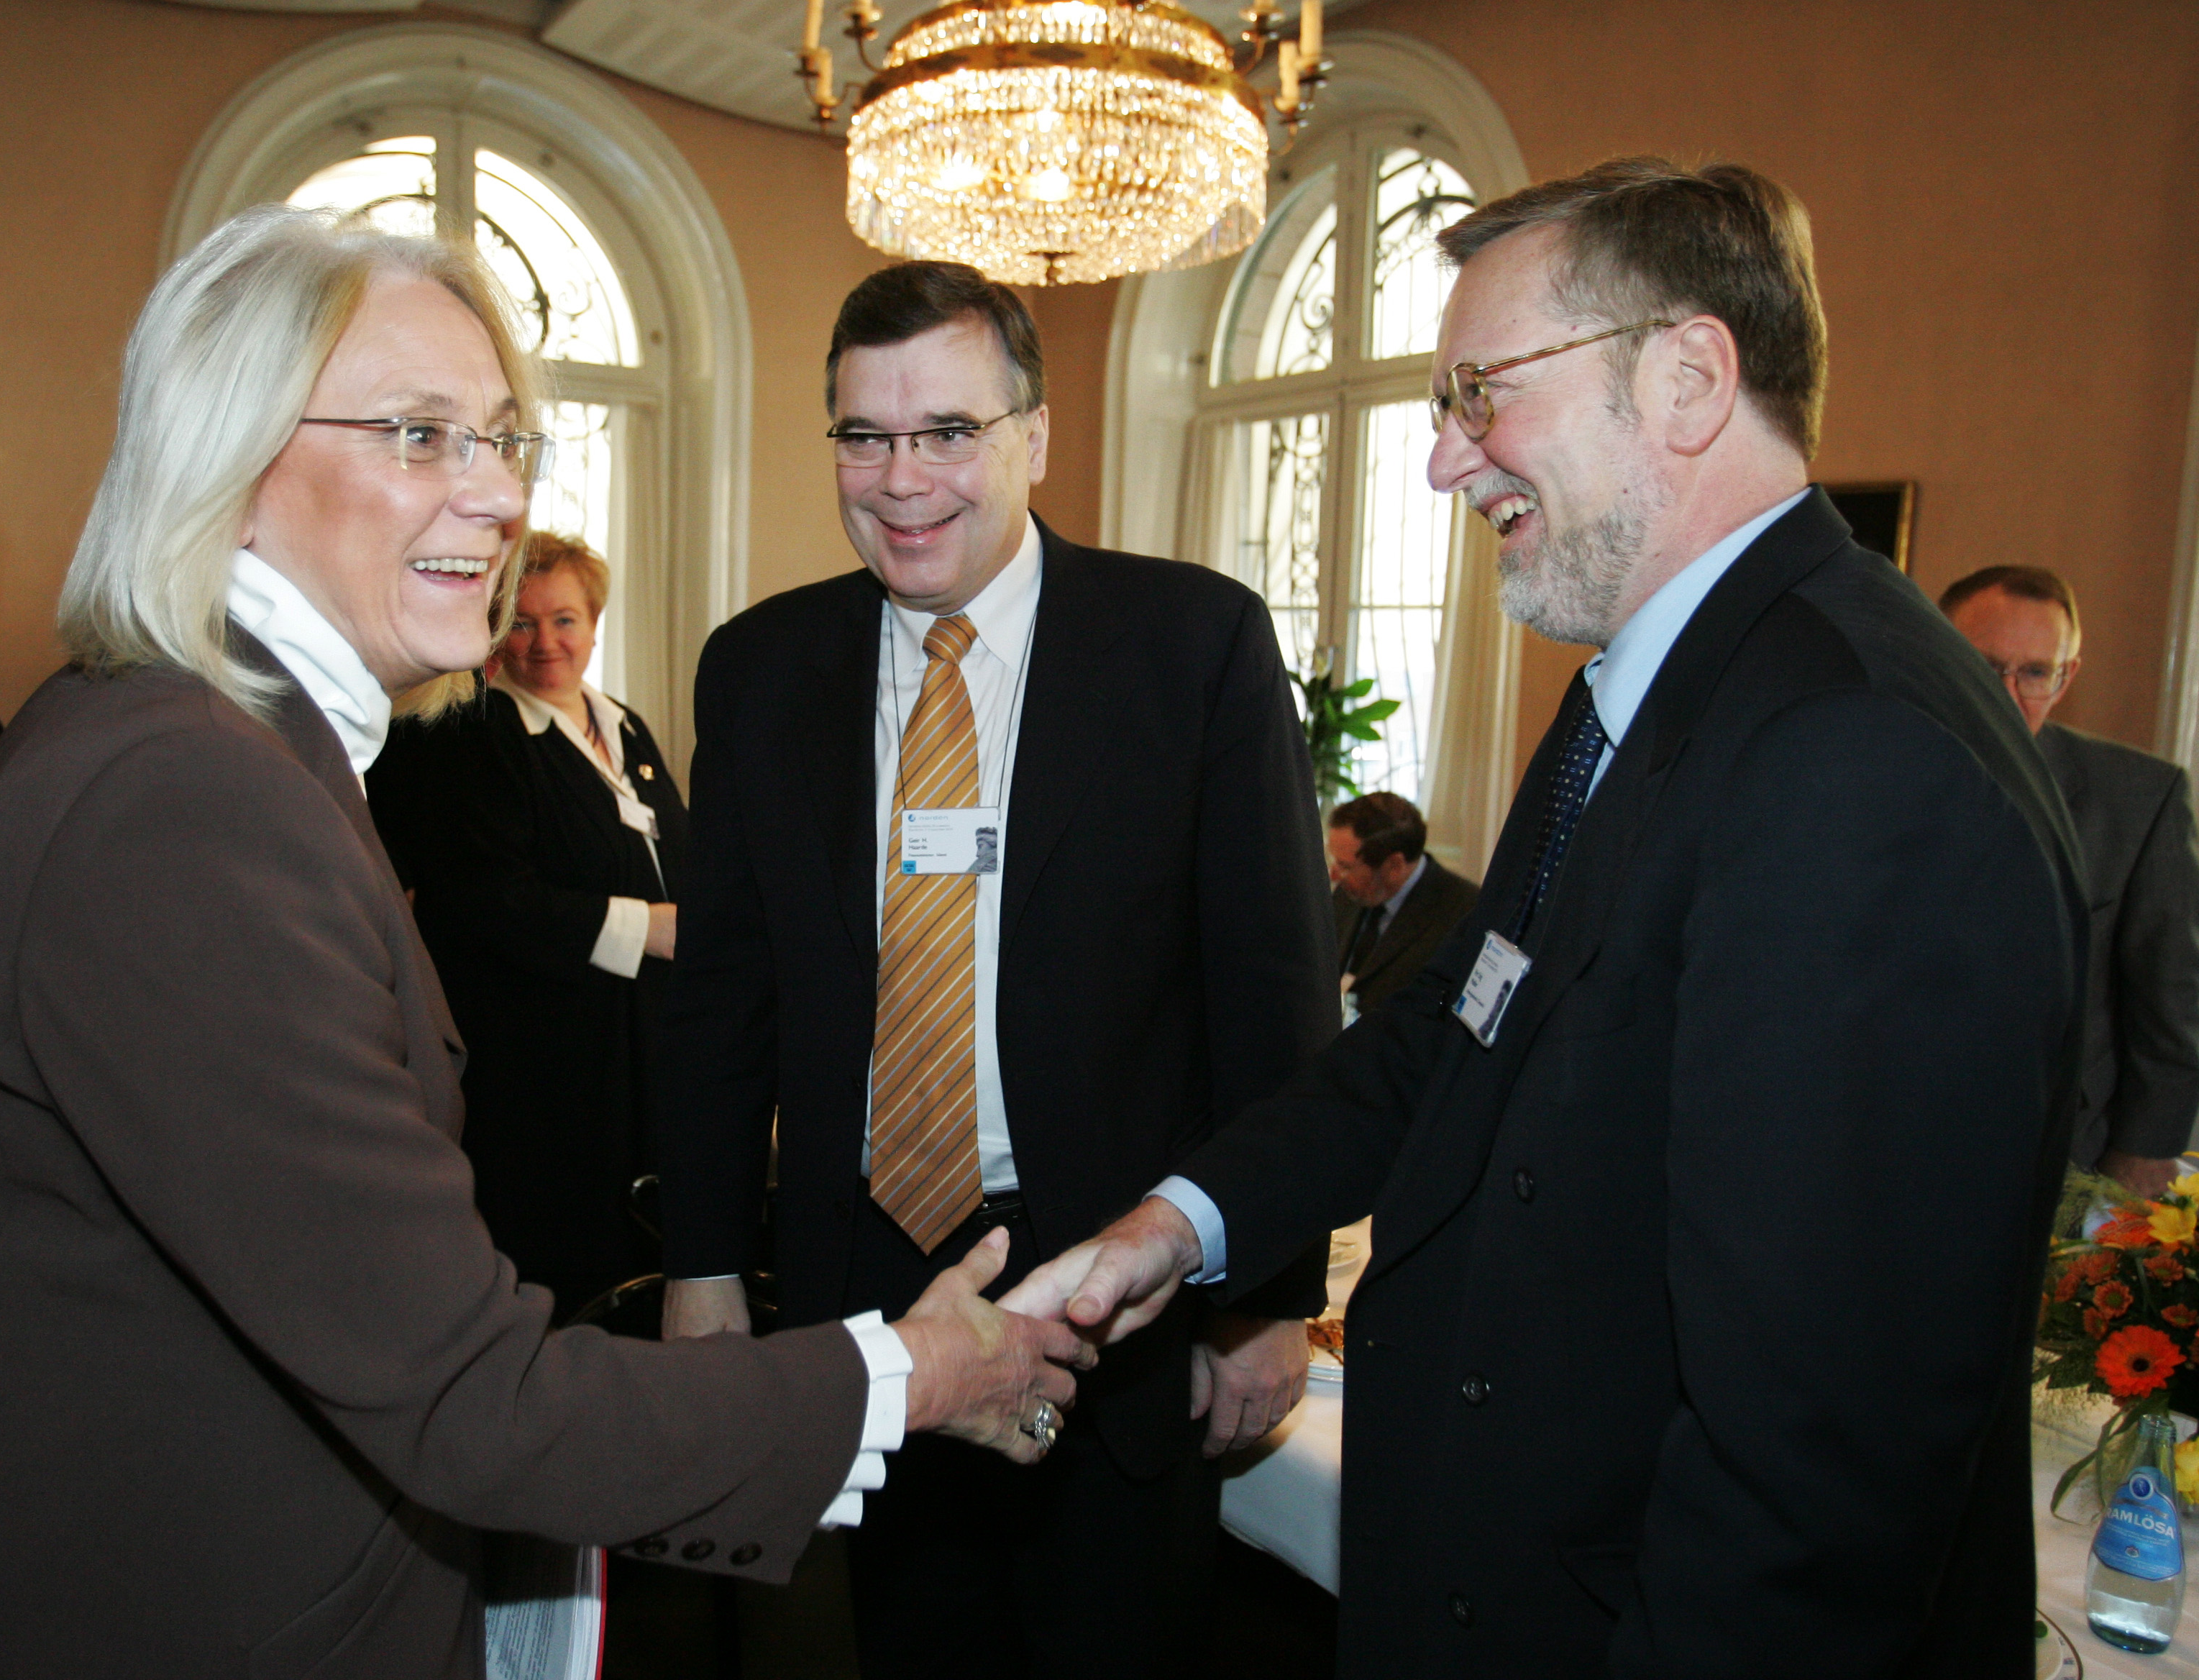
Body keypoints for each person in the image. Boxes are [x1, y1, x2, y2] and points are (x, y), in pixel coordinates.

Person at [0, 206, 1088, 1680]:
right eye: (420, 434)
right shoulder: (183, 801)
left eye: (505, 438)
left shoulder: (220, 744)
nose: (497, 496)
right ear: (228, 462)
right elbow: (468, 1398)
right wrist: (909, 1371)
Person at [1007, 158, 2085, 1674]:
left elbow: (1811, 1474)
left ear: (1688, 378)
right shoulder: (1646, 698)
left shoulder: (1858, 757)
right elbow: (1448, 1038)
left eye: (1479, 395)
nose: (1449, 464)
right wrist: (1171, 1228)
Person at [656, 261, 1338, 1679]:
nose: (902, 480)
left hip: (1119, 1290)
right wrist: (706, 1262)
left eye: (949, 432)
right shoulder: (760, 668)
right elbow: (722, 995)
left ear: (1036, 435)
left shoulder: (1192, 645)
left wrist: (1269, 1292)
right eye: (864, 435)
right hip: (874, 1294)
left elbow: (1269, 988)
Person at [367, 531, 682, 1318]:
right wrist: (648, 927)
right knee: (563, 1263)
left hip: (638, 1048)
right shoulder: (469, 730)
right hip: (542, 1067)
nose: (547, 643)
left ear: (596, 624)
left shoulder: (624, 726)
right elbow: (483, 901)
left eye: (566, 619)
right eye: (523, 621)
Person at [1942, 564, 2199, 1196]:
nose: (2007, 693)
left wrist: (2143, 1158)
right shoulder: (1858, 773)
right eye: (1985, 665)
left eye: (2035, 672)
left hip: (2061, 1154)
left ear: (2067, 678)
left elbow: (2172, 1004)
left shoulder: (2141, 799)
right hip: (1880, 1137)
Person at [1325, 791, 1479, 1014]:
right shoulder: (1350, 891)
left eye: (1346, 866)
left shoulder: (1463, 912)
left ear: (1394, 866)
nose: (1334, 875)